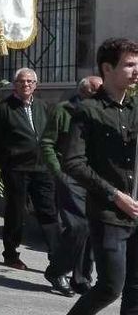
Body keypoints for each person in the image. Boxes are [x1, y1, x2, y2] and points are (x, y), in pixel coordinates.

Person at [54, 38, 138, 315]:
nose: (136, 71)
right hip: (109, 213)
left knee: (136, 288)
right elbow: (73, 162)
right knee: (110, 286)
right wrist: (115, 195)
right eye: (129, 64)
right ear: (107, 68)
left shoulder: (135, 109)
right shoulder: (87, 111)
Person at [0, 67, 60, 271]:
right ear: (15, 84)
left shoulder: (44, 107)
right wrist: (7, 161)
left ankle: (56, 257)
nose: (25, 85)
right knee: (16, 212)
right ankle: (11, 253)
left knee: (48, 211)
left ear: (35, 85)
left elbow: (51, 134)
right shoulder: (4, 109)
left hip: (42, 168)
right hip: (17, 169)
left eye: (29, 82)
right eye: (21, 81)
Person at [42, 75, 104, 298]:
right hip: (70, 176)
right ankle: (57, 270)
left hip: (93, 177)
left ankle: (82, 277)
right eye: (97, 89)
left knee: (91, 227)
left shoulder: (100, 112)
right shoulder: (64, 110)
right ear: (85, 91)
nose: (101, 93)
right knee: (78, 226)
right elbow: (47, 142)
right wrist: (58, 171)